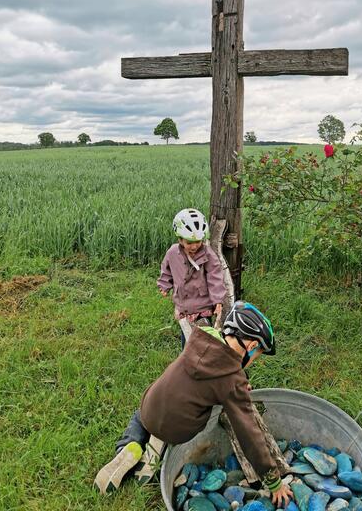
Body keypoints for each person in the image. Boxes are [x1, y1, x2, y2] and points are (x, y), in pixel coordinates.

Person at [94, 302, 293, 507]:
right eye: (257, 355)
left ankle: (128, 445)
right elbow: (249, 435)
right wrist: (274, 481)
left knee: (141, 417)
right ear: (251, 347)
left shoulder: (201, 335)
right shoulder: (232, 382)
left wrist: (239, 381)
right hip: (179, 431)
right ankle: (156, 450)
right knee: (170, 429)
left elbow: (220, 361)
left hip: (151, 406)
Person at [158, 208, 226, 347]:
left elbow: (215, 276)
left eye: (198, 242)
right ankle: (187, 360)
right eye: (189, 243)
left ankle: (204, 362)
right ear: (180, 240)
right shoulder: (172, 253)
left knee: (204, 338)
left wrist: (218, 299)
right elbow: (167, 269)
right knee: (187, 338)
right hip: (184, 305)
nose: (194, 246)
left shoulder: (207, 254)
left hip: (203, 305)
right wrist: (165, 284)